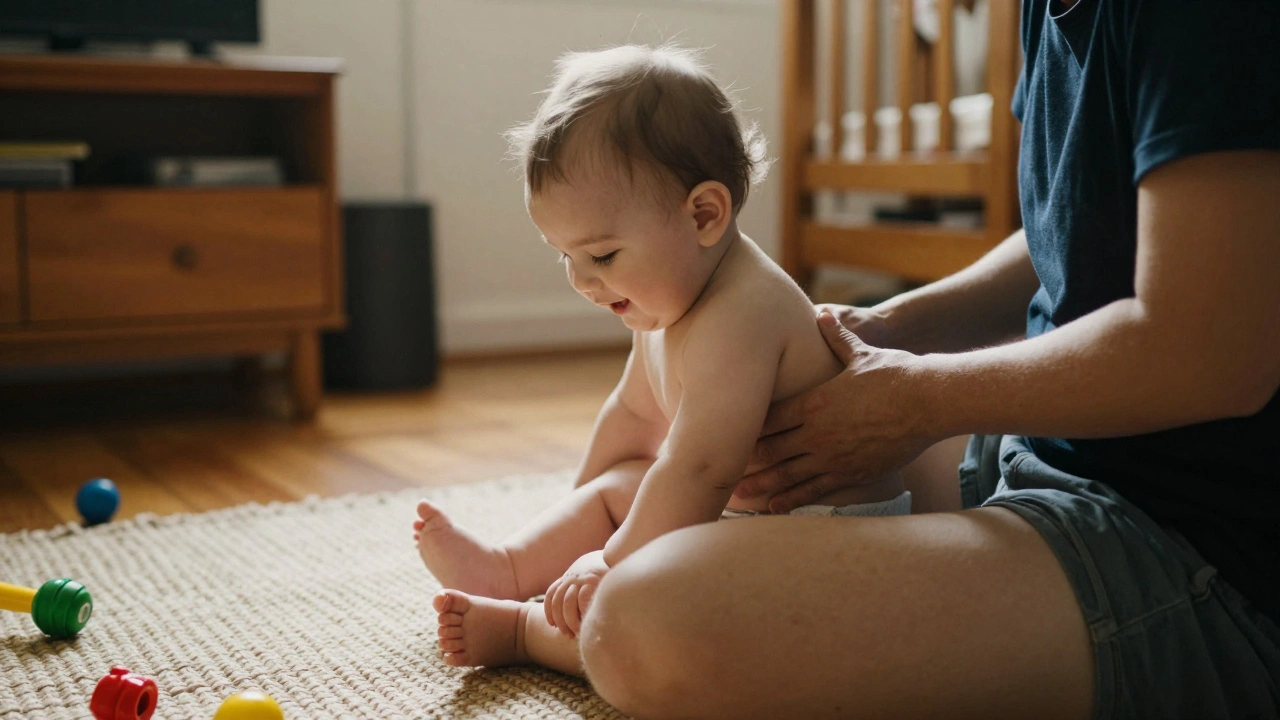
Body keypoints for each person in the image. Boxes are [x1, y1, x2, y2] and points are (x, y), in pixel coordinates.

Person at [569, 2, 1280, 719]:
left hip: (1196, 541)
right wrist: (896, 326)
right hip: (1055, 451)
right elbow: (1065, 230)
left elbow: (1215, 356)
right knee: (734, 463)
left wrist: (921, 400)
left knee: (642, 622)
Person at [411, 44, 910, 674]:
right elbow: (631, 416)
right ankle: (507, 568)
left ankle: (524, 633)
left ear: (704, 214)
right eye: (565, 257)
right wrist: (578, 522)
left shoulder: (745, 311)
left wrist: (612, 561)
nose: (582, 282)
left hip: (824, 536)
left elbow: (699, 469)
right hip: (740, 516)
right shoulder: (662, 299)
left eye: (602, 256)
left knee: (663, 600)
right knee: (623, 486)